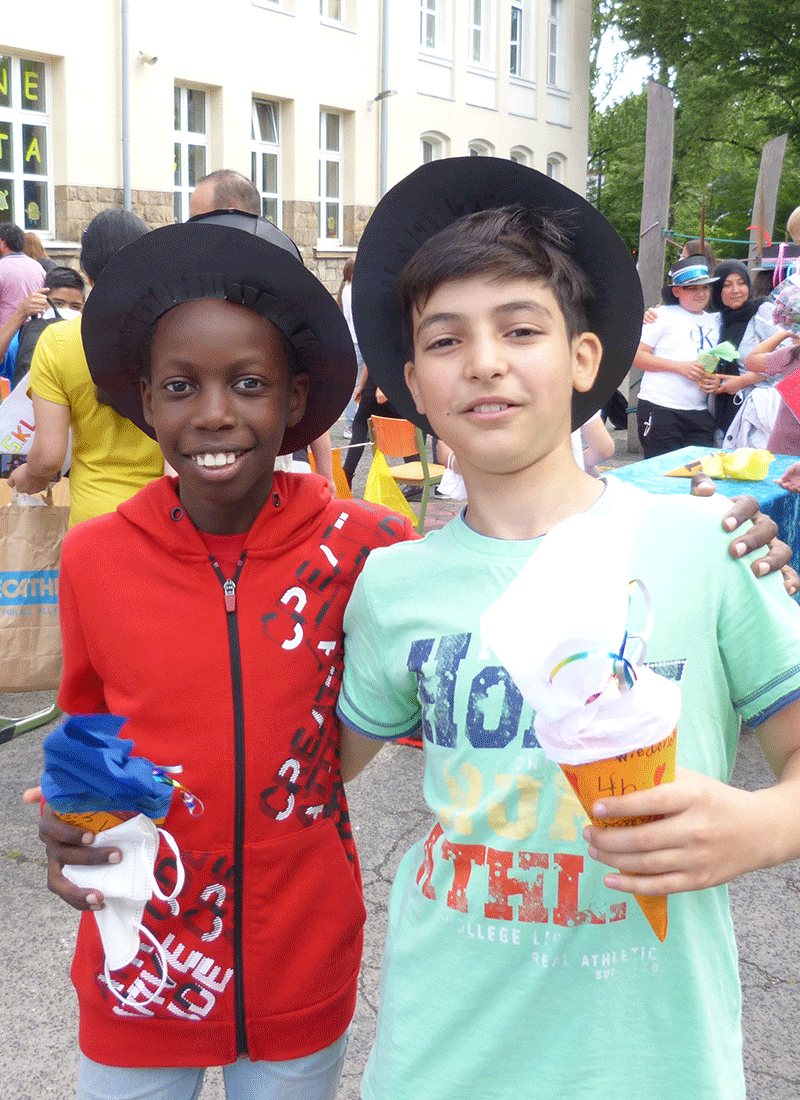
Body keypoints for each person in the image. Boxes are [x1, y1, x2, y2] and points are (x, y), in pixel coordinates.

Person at [335, 156, 800, 1100]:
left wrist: (758, 824)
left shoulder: (704, 540)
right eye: (445, 341)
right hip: (441, 1051)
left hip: (653, 1056)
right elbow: (308, 769)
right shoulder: (392, 584)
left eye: (520, 328)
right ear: (413, 383)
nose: (486, 361)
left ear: (584, 358)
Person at [33, 212, 415, 1100]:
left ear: (291, 402)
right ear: (146, 399)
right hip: (140, 958)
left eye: (248, 383)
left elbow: (496, 596)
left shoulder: (368, 548)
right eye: (181, 385)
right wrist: (68, 819)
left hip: (300, 961)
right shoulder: (94, 556)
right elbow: (87, 724)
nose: (213, 413)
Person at [8, 210, 164, 526]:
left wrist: (26, 475)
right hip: (169, 516)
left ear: (86, 273)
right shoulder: (175, 336)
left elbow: (49, 456)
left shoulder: (57, 342)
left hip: (94, 523)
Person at [189, 170, 336, 492]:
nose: (192, 232)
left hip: (270, 456)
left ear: (231, 214)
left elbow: (308, 373)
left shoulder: (279, 288)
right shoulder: (191, 293)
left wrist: (325, 470)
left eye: (198, 220)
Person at [634, 255, 720, 457]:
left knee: (699, 476)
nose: (700, 293)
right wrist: (679, 367)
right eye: (692, 288)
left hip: (700, 412)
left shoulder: (716, 322)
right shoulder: (661, 315)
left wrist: (715, 381)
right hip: (661, 408)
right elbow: (637, 357)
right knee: (661, 476)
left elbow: (716, 363)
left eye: (705, 287)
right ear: (677, 291)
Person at [1, 266, 86, 385]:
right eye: (58, 303)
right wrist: (22, 312)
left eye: (75, 307)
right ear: (43, 300)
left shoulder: (85, 338)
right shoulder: (24, 337)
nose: (65, 310)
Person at [0, 222, 46, 326]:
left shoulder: (1, 267)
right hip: (32, 332)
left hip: (6, 334)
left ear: (3, 244)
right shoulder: (38, 267)